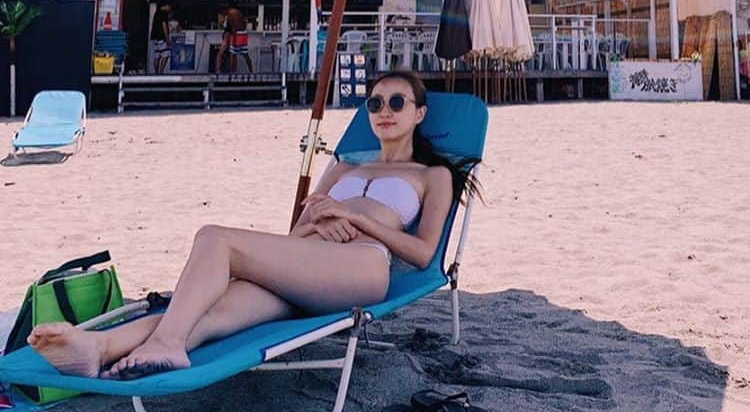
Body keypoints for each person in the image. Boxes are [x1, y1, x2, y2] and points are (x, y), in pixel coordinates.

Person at [26, 71, 475, 380]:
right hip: (306, 266)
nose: (384, 110)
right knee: (207, 309)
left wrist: (358, 218)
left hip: (361, 267)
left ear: (419, 113)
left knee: (215, 239)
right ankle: (99, 350)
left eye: (397, 102)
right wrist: (318, 215)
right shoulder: (342, 170)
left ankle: (164, 343)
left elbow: (421, 256)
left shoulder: (430, 176)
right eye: (375, 102)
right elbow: (294, 235)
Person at [215, 5, 252, 74]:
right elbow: (243, 25)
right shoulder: (237, 12)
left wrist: (234, 39)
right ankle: (251, 71)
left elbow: (232, 28)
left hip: (235, 34)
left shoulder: (230, 15)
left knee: (226, 54)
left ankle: (220, 71)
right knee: (245, 55)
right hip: (242, 33)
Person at [149, 2, 172, 74]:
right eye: (170, 7)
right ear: (167, 5)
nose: (170, 9)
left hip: (155, 37)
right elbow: (164, 26)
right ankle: (161, 72)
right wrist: (167, 38)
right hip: (161, 37)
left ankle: (156, 73)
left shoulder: (157, 12)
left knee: (157, 55)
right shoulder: (163, 13)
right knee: (166, 54)